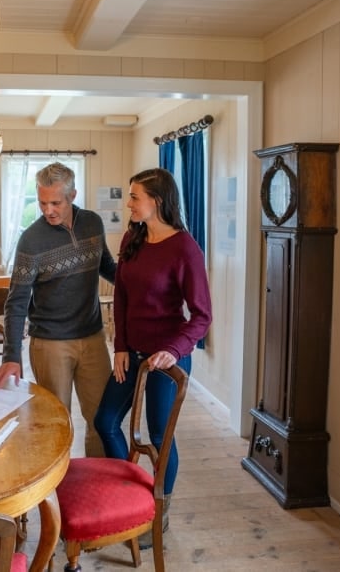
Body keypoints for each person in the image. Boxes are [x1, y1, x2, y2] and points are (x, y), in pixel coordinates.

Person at [93, 167, 211, 548]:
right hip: (132, 354)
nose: (129, 203)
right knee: (106, 422)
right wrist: (121, 348)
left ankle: (159, 513)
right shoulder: (133, 236)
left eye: (134, 197)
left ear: (157, 201)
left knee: (160, 438)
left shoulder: (185, 248)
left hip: (166, 362)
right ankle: (128, 498)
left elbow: (202, 316)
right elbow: (123, 297)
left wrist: (172, 351)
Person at [0, 162, 117, 457]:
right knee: (57, 423)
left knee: (102, 419)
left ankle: (96, 485)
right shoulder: (31, 240)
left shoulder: (93, 223)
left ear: (72, 195)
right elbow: (16, 301)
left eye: (55, 202)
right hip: (50, 343)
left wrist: (144, 282)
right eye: (42, 202)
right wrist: (11, 356)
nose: (48, 210)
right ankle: (57, 495)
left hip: (93, 338)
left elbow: (107, 267)